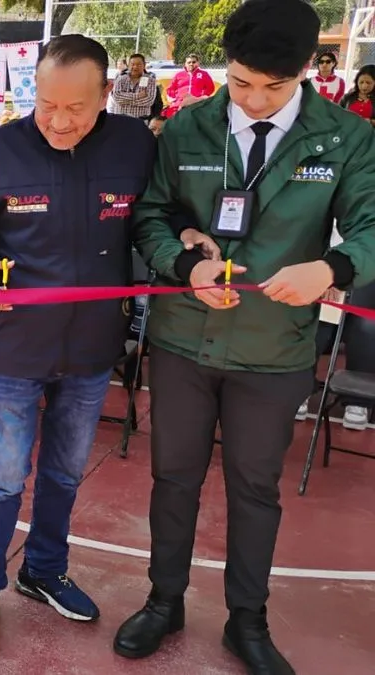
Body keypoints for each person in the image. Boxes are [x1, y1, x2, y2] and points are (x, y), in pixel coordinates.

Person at [116, 2, 375, 673]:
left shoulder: (344, 137)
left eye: (275, 88)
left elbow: (374, 225)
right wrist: (183, 261)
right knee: (173, 478)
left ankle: (247, 620)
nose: (256, 101)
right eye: (241, 84)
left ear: (307, 73)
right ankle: (163, 600)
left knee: (255, 487)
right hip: (182, 342)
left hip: (274, 348)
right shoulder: (188, 128)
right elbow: (152, 215)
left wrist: (334, 267)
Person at [0, 34, 155, 654]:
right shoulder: (2, 149)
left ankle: (43, 570)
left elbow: (154, 220)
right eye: (46, 105)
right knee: (5, 476)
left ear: (107, 95)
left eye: (77, 109)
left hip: (92, 348)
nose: (60, 122)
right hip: (17, 345)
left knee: (64, 472)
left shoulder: (133, 146)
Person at [162, 53, 216, 118]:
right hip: (180, 103)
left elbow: (211, 88)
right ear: (185, 64)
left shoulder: (204, 74)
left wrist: (201, 96)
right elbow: (170, 89)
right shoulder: (179, 75)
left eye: (194, 62)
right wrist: (176, 98)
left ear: (198, 63)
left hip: (197, 103)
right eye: (189, 62)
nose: (191, 64)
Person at [109, 53, 157, 119]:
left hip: (141, 120)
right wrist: (138, 96)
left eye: (138, 64)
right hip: (121, 119)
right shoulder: (120, 79)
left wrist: (125, 100)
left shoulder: (150, 80)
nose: (135, 67)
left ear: (144, 65)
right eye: (132, 64)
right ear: (128, 65)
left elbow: (149, 101)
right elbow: (117, 97)